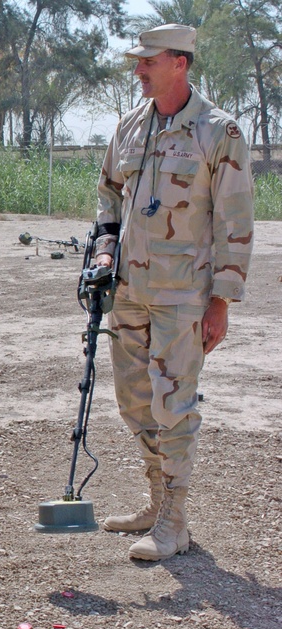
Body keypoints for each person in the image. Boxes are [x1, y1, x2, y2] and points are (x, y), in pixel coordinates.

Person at [93, 24, 254, 561]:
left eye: (148, 60)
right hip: (130, 291)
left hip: (183, 296)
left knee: (174, 404)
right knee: (135, 401)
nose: (138, 68)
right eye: (138, 60)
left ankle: (175, 522)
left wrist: (221, 301)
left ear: (179, 63)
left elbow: (235, 221)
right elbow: (108, 197)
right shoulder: (129, 127)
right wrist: (103, 251)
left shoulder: (218, 131)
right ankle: (157, 501)